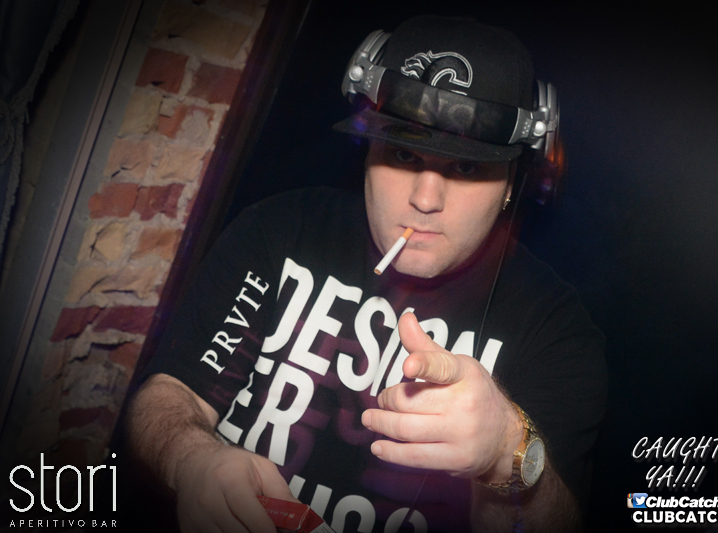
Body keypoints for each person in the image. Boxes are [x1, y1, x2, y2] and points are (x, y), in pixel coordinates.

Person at [126, 15, 606, 533]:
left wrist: (504, 451)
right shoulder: (278, 229)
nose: (425, 200)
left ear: (514, 182)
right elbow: (169, 393)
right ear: (366, 150)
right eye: (403, 153)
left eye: (467, 167)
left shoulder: (555, 330)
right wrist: (193, 461)